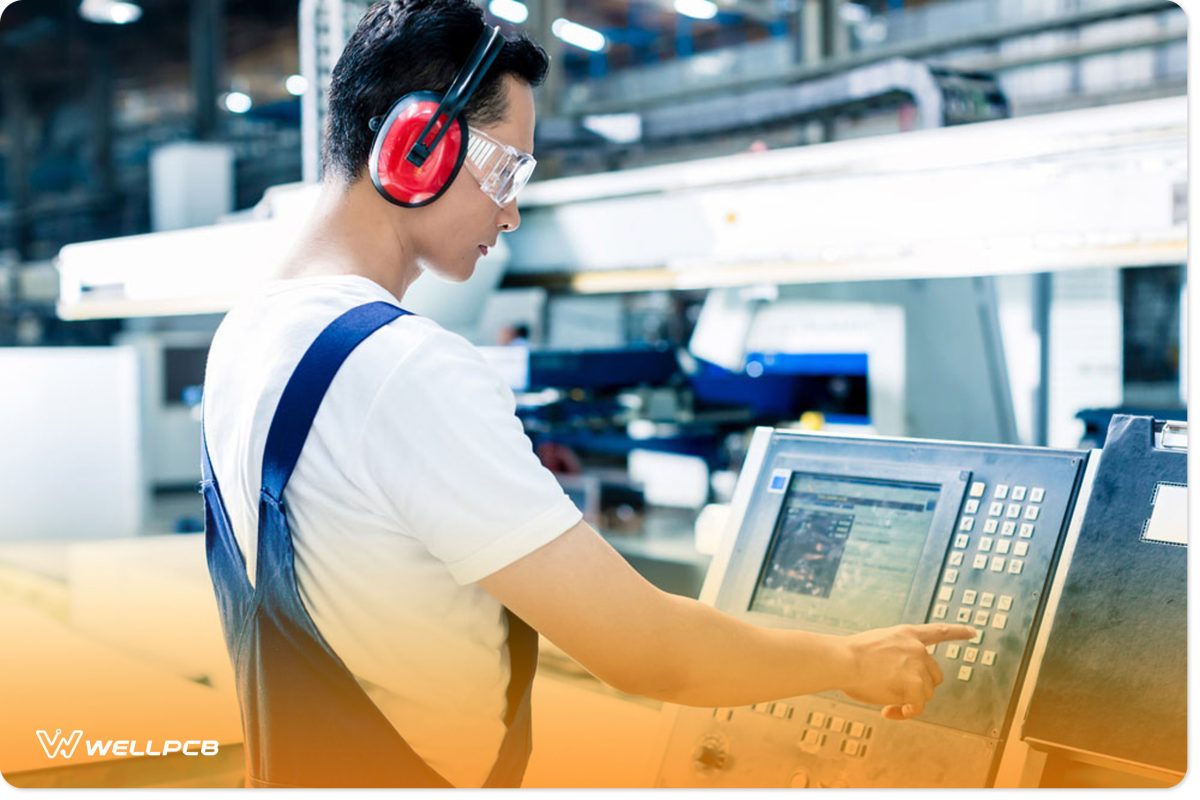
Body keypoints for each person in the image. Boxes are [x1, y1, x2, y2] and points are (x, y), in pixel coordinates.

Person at [200, 0, 973, 788]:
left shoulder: (248, 336)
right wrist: (849, 659)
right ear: (414, 147)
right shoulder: (403, 367)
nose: (510, 211)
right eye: (505, 169)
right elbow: (649, 652)